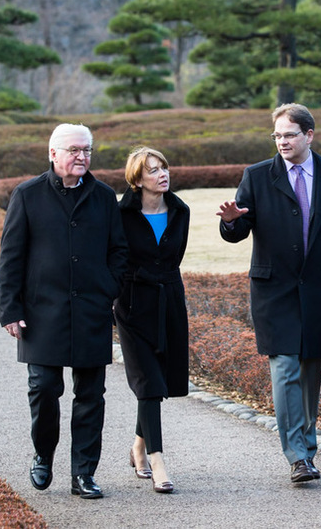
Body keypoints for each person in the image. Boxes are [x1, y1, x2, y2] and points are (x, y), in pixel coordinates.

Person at [217, 103, 321, 484]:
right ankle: (298, 456)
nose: (282, 141)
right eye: (277, 135)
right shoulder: (257, 175)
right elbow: (237, 230)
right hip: (273, 290)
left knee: (310, 371)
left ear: (309, 135)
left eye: (289, 134)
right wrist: (232, 223)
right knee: (284, 368)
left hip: (317, 288)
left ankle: (308, 450)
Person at [0, 123, 129, 500]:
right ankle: (43, 455)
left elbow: (118, 251)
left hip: (91, 311)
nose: (81, 156)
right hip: (42, 313)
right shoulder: (27, 195)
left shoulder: (104, 197)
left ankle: (83, 474)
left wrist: (108, 288)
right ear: (53, 154)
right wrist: (9, 309)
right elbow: (10, 258)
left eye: (86, 150)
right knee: (43, 389)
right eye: (73, 150)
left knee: (91, 396)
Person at [114, 147, 190, 494]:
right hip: (132, 306)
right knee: (148, 382)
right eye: (153, 170)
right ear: (137, 179)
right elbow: (113, 259)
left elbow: (174, 259)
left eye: (164, 168)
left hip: (169, 302)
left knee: (160, 379)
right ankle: (157, 459)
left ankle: (138, 445)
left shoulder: (180, 210)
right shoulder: (121, 214)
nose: (162, 175)